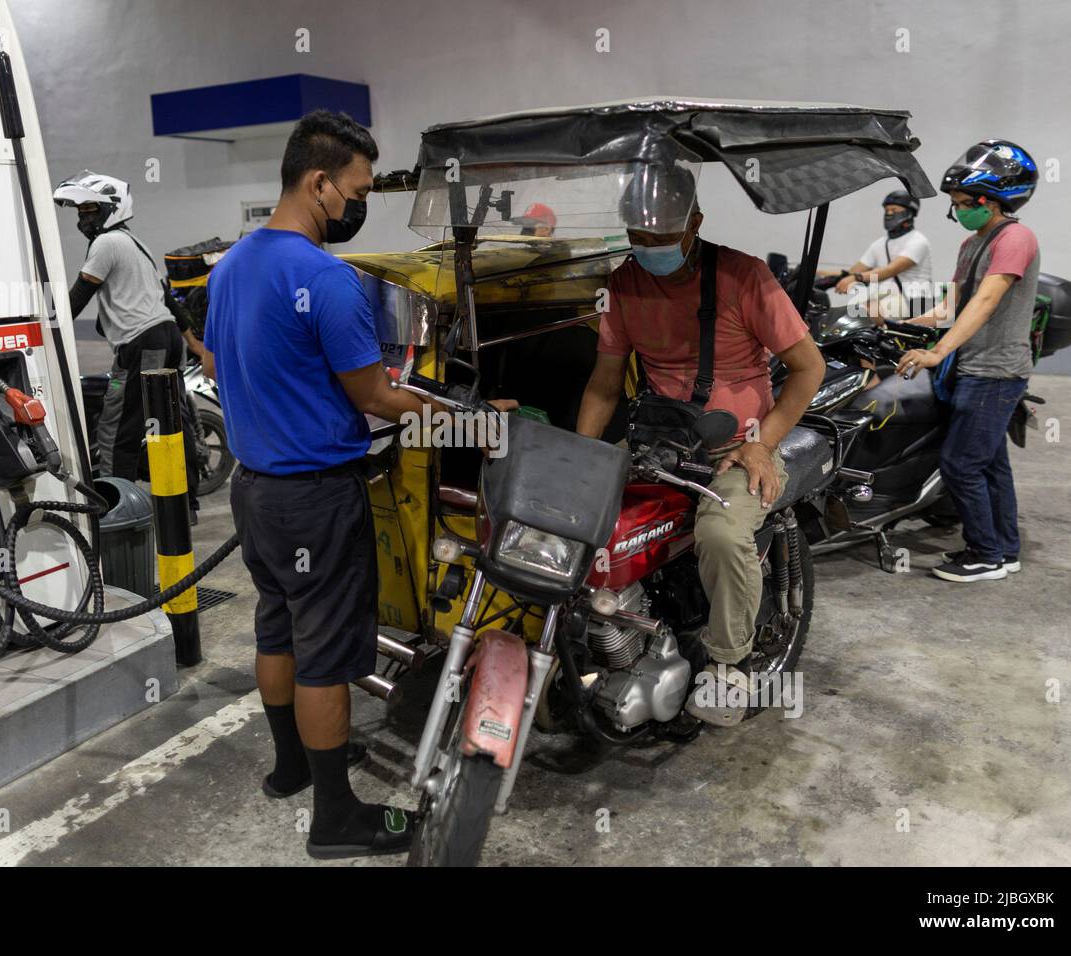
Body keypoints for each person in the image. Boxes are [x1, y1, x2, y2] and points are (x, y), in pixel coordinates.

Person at [202, 110, 514, 859]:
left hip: (255, 492)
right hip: (316, 496)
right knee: (325, 655)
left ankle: (290, 771)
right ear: (318, 182)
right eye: (357, 188)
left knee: (275, 626)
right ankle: (337, 819)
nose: (358, 203)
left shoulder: (231, 266)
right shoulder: (327, 279)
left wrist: (290, 391)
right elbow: (377, 398)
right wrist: (469, 419)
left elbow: (218, 366)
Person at [575, 164, 825, 727]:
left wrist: (763, 443)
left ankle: (729, 663)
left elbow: (809, 368)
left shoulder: (745, 277)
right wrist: (578, 460)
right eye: (639, 238)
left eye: (662, 238)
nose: (649, 249)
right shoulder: (623, 283)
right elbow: (604, 384)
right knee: (576, 519)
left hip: (738, 446)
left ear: (695, 224)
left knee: (720, 530)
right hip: (660, 441)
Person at [894, 140, 1040, 583]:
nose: (959, 211)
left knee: (960, 463)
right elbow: (952, 305)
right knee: (991, 464)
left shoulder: (1016, 237)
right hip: (974, 369)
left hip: (995, 372)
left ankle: (984, 555)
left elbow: (987, 301)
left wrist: (938, 351)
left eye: (964, 203)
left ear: (991, 200)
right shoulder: (971, 243)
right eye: (955, 205)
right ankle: (1005, 549)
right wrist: (896, 325)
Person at [54, 171, 201, 519]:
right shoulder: (136, 243)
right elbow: (167, 297)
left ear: (113, 208)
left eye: (90, 210)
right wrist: (193, 342)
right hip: (165, 338)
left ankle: (114, 506)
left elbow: (78, 296)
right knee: (171, 419)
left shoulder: (106, 244)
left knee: (118, 422)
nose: (83, 218)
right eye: (80, 211)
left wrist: (48, 329)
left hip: (140, 343)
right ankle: (187, 504)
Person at [835, 190, 934, 321]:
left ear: (909, 213)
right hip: (889, 295)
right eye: (887, 210)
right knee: (846, 315)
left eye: (894, 209)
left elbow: (890, 270)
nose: (889, 213)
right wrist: (816, 275)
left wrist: (857, 278)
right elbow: (852, 271)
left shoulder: (918, 241)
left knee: (864, 314)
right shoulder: (880, 243)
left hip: (915, 298)